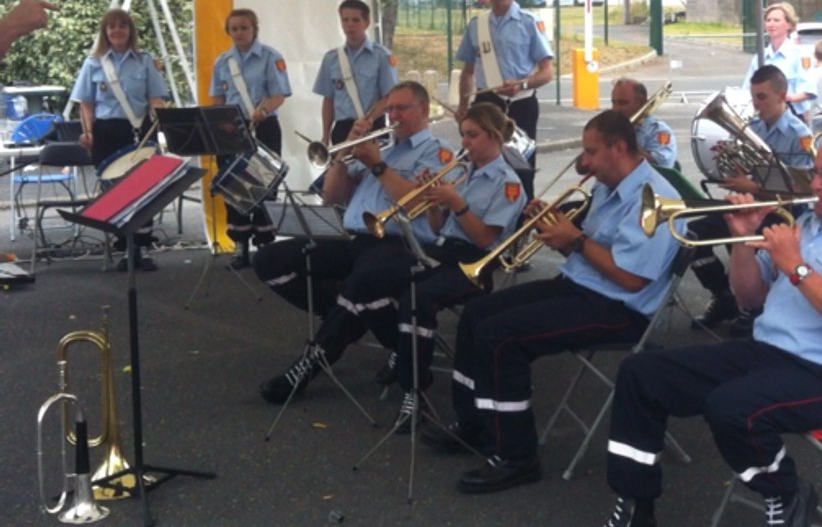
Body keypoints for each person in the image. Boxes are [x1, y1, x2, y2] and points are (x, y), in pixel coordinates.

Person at [597, 131, 822, 527]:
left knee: (732, 407)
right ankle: (635, 502)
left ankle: (786, 492)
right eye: (815, 172)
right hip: (764, 354)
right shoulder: (807, 223)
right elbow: (750, 298)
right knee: (641, 372)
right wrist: (741, 238)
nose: (815, 184)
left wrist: (796, 266)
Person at [420, 110, 682, 495]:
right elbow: (590, 251)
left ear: (620, 147)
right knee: (477, 314)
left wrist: (574, 240)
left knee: (501, 336)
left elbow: (631, 277)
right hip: (583, 286)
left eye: (591, 152)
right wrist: (556, 229)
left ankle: (516, 456)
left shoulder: (654, 198)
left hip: (619, 309)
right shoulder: (611, 185)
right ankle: (475, 421)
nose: (585, 162)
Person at [253, 81, 450, 404]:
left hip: (398, 243)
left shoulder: (437, 152)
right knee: (270, 261)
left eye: (402, 108)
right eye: (390, 109)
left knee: (361, 284)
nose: (394, 115)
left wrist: (377, 165)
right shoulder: (381, 147)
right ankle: (348, 315)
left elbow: (418, 205)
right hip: (352, 238)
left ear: (424, 110)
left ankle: (309, 365)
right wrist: (344, 152)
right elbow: (332, 196)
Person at [390, 103, 527, 427]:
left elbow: (482, 238)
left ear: (493, 136)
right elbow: (438, 228)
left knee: (417, 299)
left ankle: (414, 388)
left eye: (472, 135)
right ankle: (402, 357)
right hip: (444, 253)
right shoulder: (464, 173)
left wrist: (457, 202)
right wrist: (432, 202)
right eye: (463, 134)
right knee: (387, 280)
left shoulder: (508, 183)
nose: (464, 142)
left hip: (475, 264)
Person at [691, 65, 815, 336]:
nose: (756, 105)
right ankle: (724, 297)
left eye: (762, 97)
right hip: (751, 207)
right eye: (754, 97)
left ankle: (756, 307)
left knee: (746, 241)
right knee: (694, 235)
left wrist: (752, 185)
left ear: (782, 95)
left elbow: (801, 189)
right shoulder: (753, 127)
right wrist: (731, 172)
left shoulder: (799, 134)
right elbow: (742, 170)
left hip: (783, 212)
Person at [71, 8, 168, 271]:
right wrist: (88, 131)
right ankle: (126, 249)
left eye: (122, 26)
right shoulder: (93, 63)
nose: (117, 30)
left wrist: (162, 123)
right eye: (111, 26)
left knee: (145, 191)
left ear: (130, 31)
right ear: (105, 31)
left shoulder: (146, 60)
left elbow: (155, 99)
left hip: (139, 129)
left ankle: (143, 249)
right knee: (117, 192)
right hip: (106, 132)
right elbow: (86, 104)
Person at [456, 0, 555, 197]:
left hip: (520, 103)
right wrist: (462, 107)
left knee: (521, 167)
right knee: (480, 163)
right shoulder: (476, 25)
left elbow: (547, 71)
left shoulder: (529, 22)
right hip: (485, 102)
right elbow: (467, 71)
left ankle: (522, 223)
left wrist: (522, 84)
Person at [210, 8, 291, 269]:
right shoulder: (222, 62)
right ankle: (240, 245)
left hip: (264, 125)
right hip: (232, 130)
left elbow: (280, 93)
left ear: (254, 29)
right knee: (234, 187)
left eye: (244, 27)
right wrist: (219, 124)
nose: (239, 33)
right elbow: (217, 99)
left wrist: (264, 110)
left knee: (263, 184)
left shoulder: (270, 57)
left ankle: (266, 243)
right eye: (234, 28)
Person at [312, 0, 398, 146]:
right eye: (345, 20)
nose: (350, 25)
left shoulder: (381, 56)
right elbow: (329, 100)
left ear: (366, 22)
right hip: (342, 129)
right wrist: (325, 135)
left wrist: (369, 119)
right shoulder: (331, 59)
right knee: (341, 168)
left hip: (372, 127)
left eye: (356, 20)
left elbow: (389, 96)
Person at [741, 2, 814, 117]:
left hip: (791, 115)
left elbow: (809, 91)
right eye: (768, 20)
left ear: (789, 24)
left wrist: (785, 98)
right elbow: (746, 91)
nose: (771, 24)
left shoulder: (801, 55)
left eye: (776, 20)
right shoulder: (759, 57)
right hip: (763, 117)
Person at [610, 78, 676, 169]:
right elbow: (583, 167)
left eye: (623, 103)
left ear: (640, 103)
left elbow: (662, 166)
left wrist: (627, 141)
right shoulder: (611, 127)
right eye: (614, 102)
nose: (616, 109)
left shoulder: (660, 131)